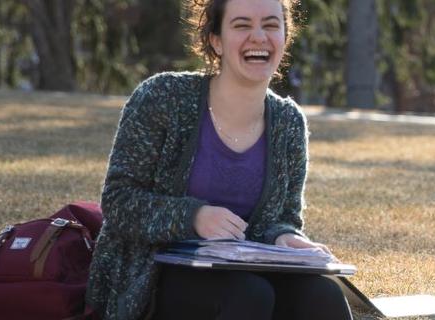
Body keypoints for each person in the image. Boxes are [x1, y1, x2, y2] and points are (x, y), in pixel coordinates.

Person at [86, 0, 352, 319]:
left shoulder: (288, 122)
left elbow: (281, 218)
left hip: (245, 272)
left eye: (270, 25)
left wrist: (287, 237)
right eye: (242, 25)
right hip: (150, 275)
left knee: (322, 295)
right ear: (216, 40)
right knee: (249, 296)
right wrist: (194, 217)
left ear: (285, 36)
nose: (258, 37)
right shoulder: (162, 98)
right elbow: (119, 203)